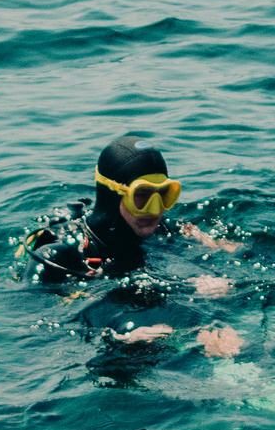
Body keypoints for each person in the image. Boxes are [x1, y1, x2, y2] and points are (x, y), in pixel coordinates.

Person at [26, 135, 245, 352]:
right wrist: (112, 337)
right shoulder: (57, 258)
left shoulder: (166, 229)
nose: (155, 209)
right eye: (142, 195)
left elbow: (233, 249)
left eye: (164, 194)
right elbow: (36, 328)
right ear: (112, 195)